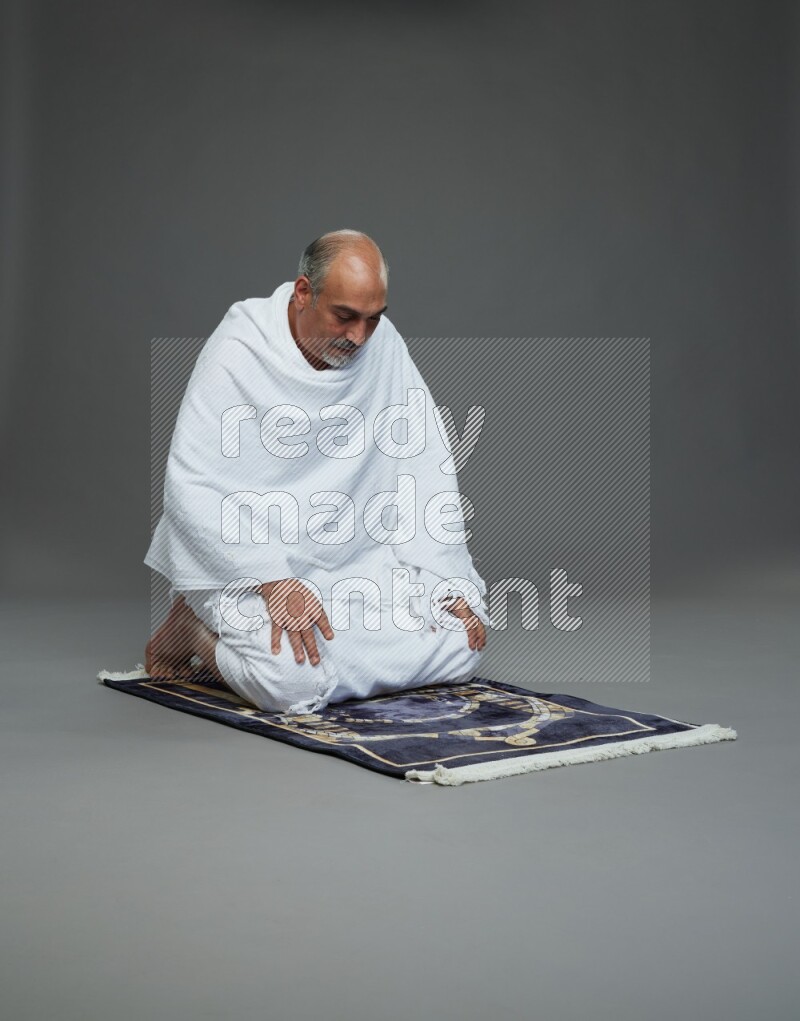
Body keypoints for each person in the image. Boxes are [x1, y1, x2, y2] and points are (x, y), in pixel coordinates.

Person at [144, 229, 489, 715]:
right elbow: (191, 485)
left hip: (355, 558)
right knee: (291, 685)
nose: (359, 336)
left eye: (373, 319)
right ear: (304, 292)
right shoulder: (240, 348)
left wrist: (446, 578)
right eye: (345, 317)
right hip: (251, 565)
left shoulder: (381, 345)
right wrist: (269, 578)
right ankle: (196, 631)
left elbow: (423, 464)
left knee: (462, 643)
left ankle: (318, 659)